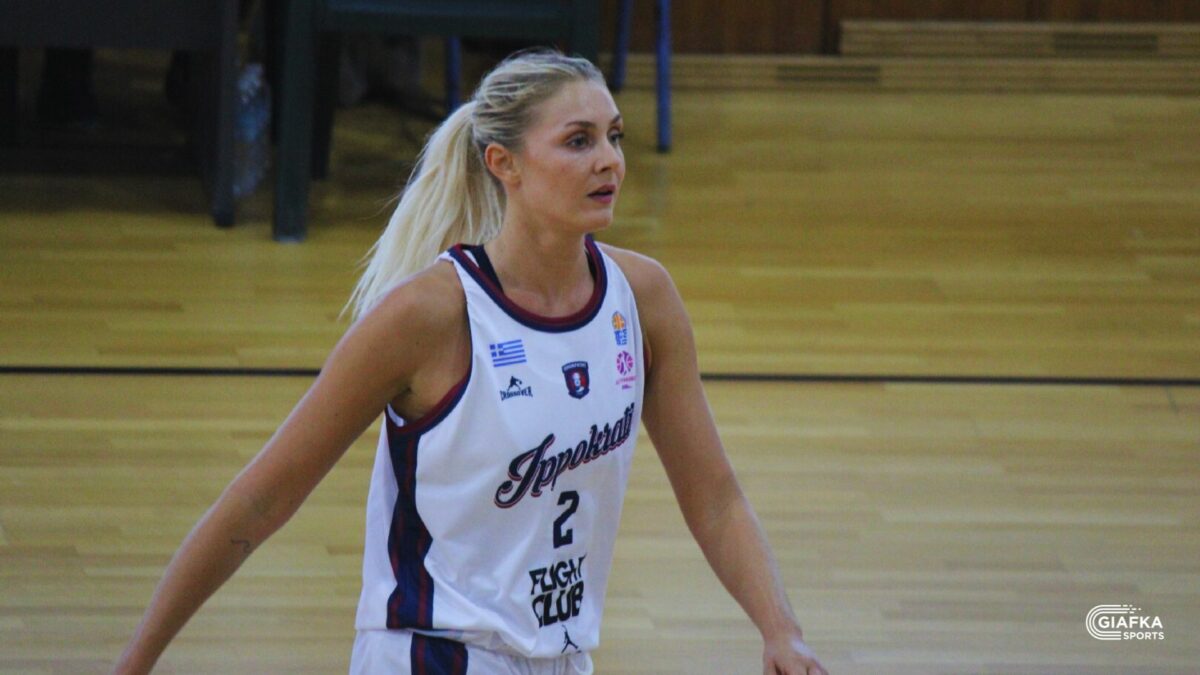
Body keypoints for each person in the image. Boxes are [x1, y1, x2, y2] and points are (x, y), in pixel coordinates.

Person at [113, 48, 828, 675]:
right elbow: (260, 500)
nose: (609, 159)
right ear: (503, 163)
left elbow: (716, 497)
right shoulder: (428, 316)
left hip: (562, 655)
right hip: (432, 652)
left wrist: (781, 629)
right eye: (578, 141)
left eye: (614, 136)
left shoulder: (644, 298)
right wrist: (134, 664)